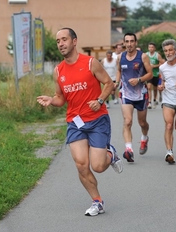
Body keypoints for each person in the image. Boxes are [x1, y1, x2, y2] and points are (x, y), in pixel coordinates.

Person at [36, 28, 123, 216]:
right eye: (58, 41)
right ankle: (97, 201)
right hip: (75, 123)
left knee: (98, 166)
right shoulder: (58, 71)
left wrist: (99, 100)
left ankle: (111, 154)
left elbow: (109, 84)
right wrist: (52, 100)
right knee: (81, 164)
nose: (60, 43)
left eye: (64, 39)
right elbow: (61, 98)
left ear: (74, 41)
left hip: (97, 119)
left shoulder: (91, 63)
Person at [116, 33, 153, 162]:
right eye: (127, 41)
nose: (129, 44)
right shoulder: (120, 57)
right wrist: (116, 82)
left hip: (141, 94)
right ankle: (129, 150)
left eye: (132, 41)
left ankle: (144, 138)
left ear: (136, 42)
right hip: (126, 94)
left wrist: (139, 79)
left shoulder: (143, 56)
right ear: (124, 43)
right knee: (127, 121)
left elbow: (150, 74)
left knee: (142, 123)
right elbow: (119, 71)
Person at [146, 42, 163, 109]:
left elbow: (162, 64)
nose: (151, 48)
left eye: (152, 47)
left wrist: (154, 66)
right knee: (149, 87)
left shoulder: (157, 55)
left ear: (155, 48)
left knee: (155, 89)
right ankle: (149, 102)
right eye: (149, 47)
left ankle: (155, 99)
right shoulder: (146, 55)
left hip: (156, 74)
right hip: (149, 74)